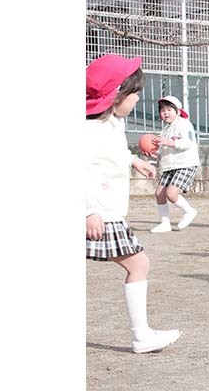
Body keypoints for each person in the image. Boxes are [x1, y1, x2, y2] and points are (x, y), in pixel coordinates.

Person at [86, 54, 181, 353]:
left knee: (138, 264)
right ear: (117, 94)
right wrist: (89, 210)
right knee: (139, 263)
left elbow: (105, 157)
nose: (140, 98)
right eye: (135, 92)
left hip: (105, 211)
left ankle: (142, 335)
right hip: (98, 212)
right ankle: (141, 336)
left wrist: (133, 160)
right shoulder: (90, 129)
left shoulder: (112, 124)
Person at [148, 95, 201, 233]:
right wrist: (154, 155)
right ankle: (165, 223)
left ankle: (189, 211)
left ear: (178, 111)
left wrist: (169, 142)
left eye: (169, 109)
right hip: (169, 166)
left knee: (171, 193)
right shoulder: (165, 130)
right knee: (159, 193)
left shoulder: (184, 124)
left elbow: (187, 143)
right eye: (162, 110)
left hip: (185, 164)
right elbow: (162, 150)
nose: (165, 113)